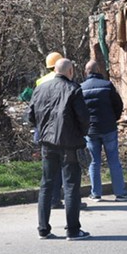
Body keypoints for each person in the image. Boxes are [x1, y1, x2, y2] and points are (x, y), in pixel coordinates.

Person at [28, 58, 91, 240]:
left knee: (46, 185)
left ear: (55, 70)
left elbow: (30, 116)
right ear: (70, 71)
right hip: (70, 144)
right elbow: (84, 118)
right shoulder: (74, 89)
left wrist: (43, 129)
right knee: (71, 186)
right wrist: (81, 134)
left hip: (47, 143)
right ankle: (73, 230)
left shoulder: (40, 88)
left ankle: (43, 229)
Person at [81, 60, 127, 202]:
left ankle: (95, 194)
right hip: (108, 128)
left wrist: (84, 125)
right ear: (98, 70)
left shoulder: (81, 88)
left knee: (94, 162)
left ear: (86, 72)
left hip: (91, 130)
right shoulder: (107, 85)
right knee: (114, 160)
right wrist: (113, 118)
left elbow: (79, 110)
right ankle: (120, 193)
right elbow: (118, 104)